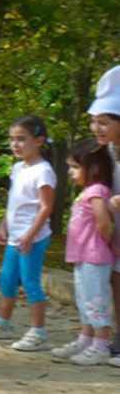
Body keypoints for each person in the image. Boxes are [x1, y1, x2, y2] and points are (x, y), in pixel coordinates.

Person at [0, 115, 56, 351]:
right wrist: (4, 224)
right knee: (7, 280)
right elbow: (15, 202)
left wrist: (30, 236)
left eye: (22, 139)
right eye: (12, 139)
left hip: (33, 238)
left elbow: (46, 207)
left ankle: (38, 332)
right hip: (15, 237)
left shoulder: (44, 171)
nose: (15, 145)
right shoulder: (18, 167)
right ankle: (3, 323)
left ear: (39, 141)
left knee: (30, 283)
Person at [49, 139, 115, 365]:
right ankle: (85, 339)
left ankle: (100, 345)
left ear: (93, 167)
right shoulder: (87, 191)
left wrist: (102, 243)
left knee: (97, 300)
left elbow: (103, 223)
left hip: (94, 256)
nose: (71, 172)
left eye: (75, 167)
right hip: (82, 256)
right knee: (84, 299)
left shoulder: (97, 190)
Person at [87, 64, 120, 361]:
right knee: (115, 282)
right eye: (94, 121)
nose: (97, 129)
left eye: (104, 122)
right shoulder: (107, 152)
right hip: (115, 228)